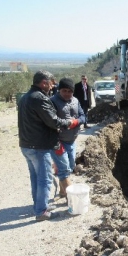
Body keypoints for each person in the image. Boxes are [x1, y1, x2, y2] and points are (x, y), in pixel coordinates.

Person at [18, 70, 79, 221]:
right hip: (39, 146)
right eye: (51, 83)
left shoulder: (25, 97)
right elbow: (53, 121)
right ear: (44, 83)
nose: (53, 86)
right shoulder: (40, 98)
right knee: (44, 179)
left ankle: (39, 205)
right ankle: (41, 212)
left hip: (26, 145)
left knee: (35, 177)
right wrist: (70, 123)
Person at [51, 77, 86, 175]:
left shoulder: (75, 101)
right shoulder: (52, 102)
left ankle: (58, 170)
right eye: (64, 91)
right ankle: (63, 188)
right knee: (64, 169)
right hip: (59, 142)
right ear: (59, 90)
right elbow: (51, 122)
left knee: (70, 167)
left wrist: (75, 122)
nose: (67, 93)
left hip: (71, 141)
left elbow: (83, 117)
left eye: (70, 91)